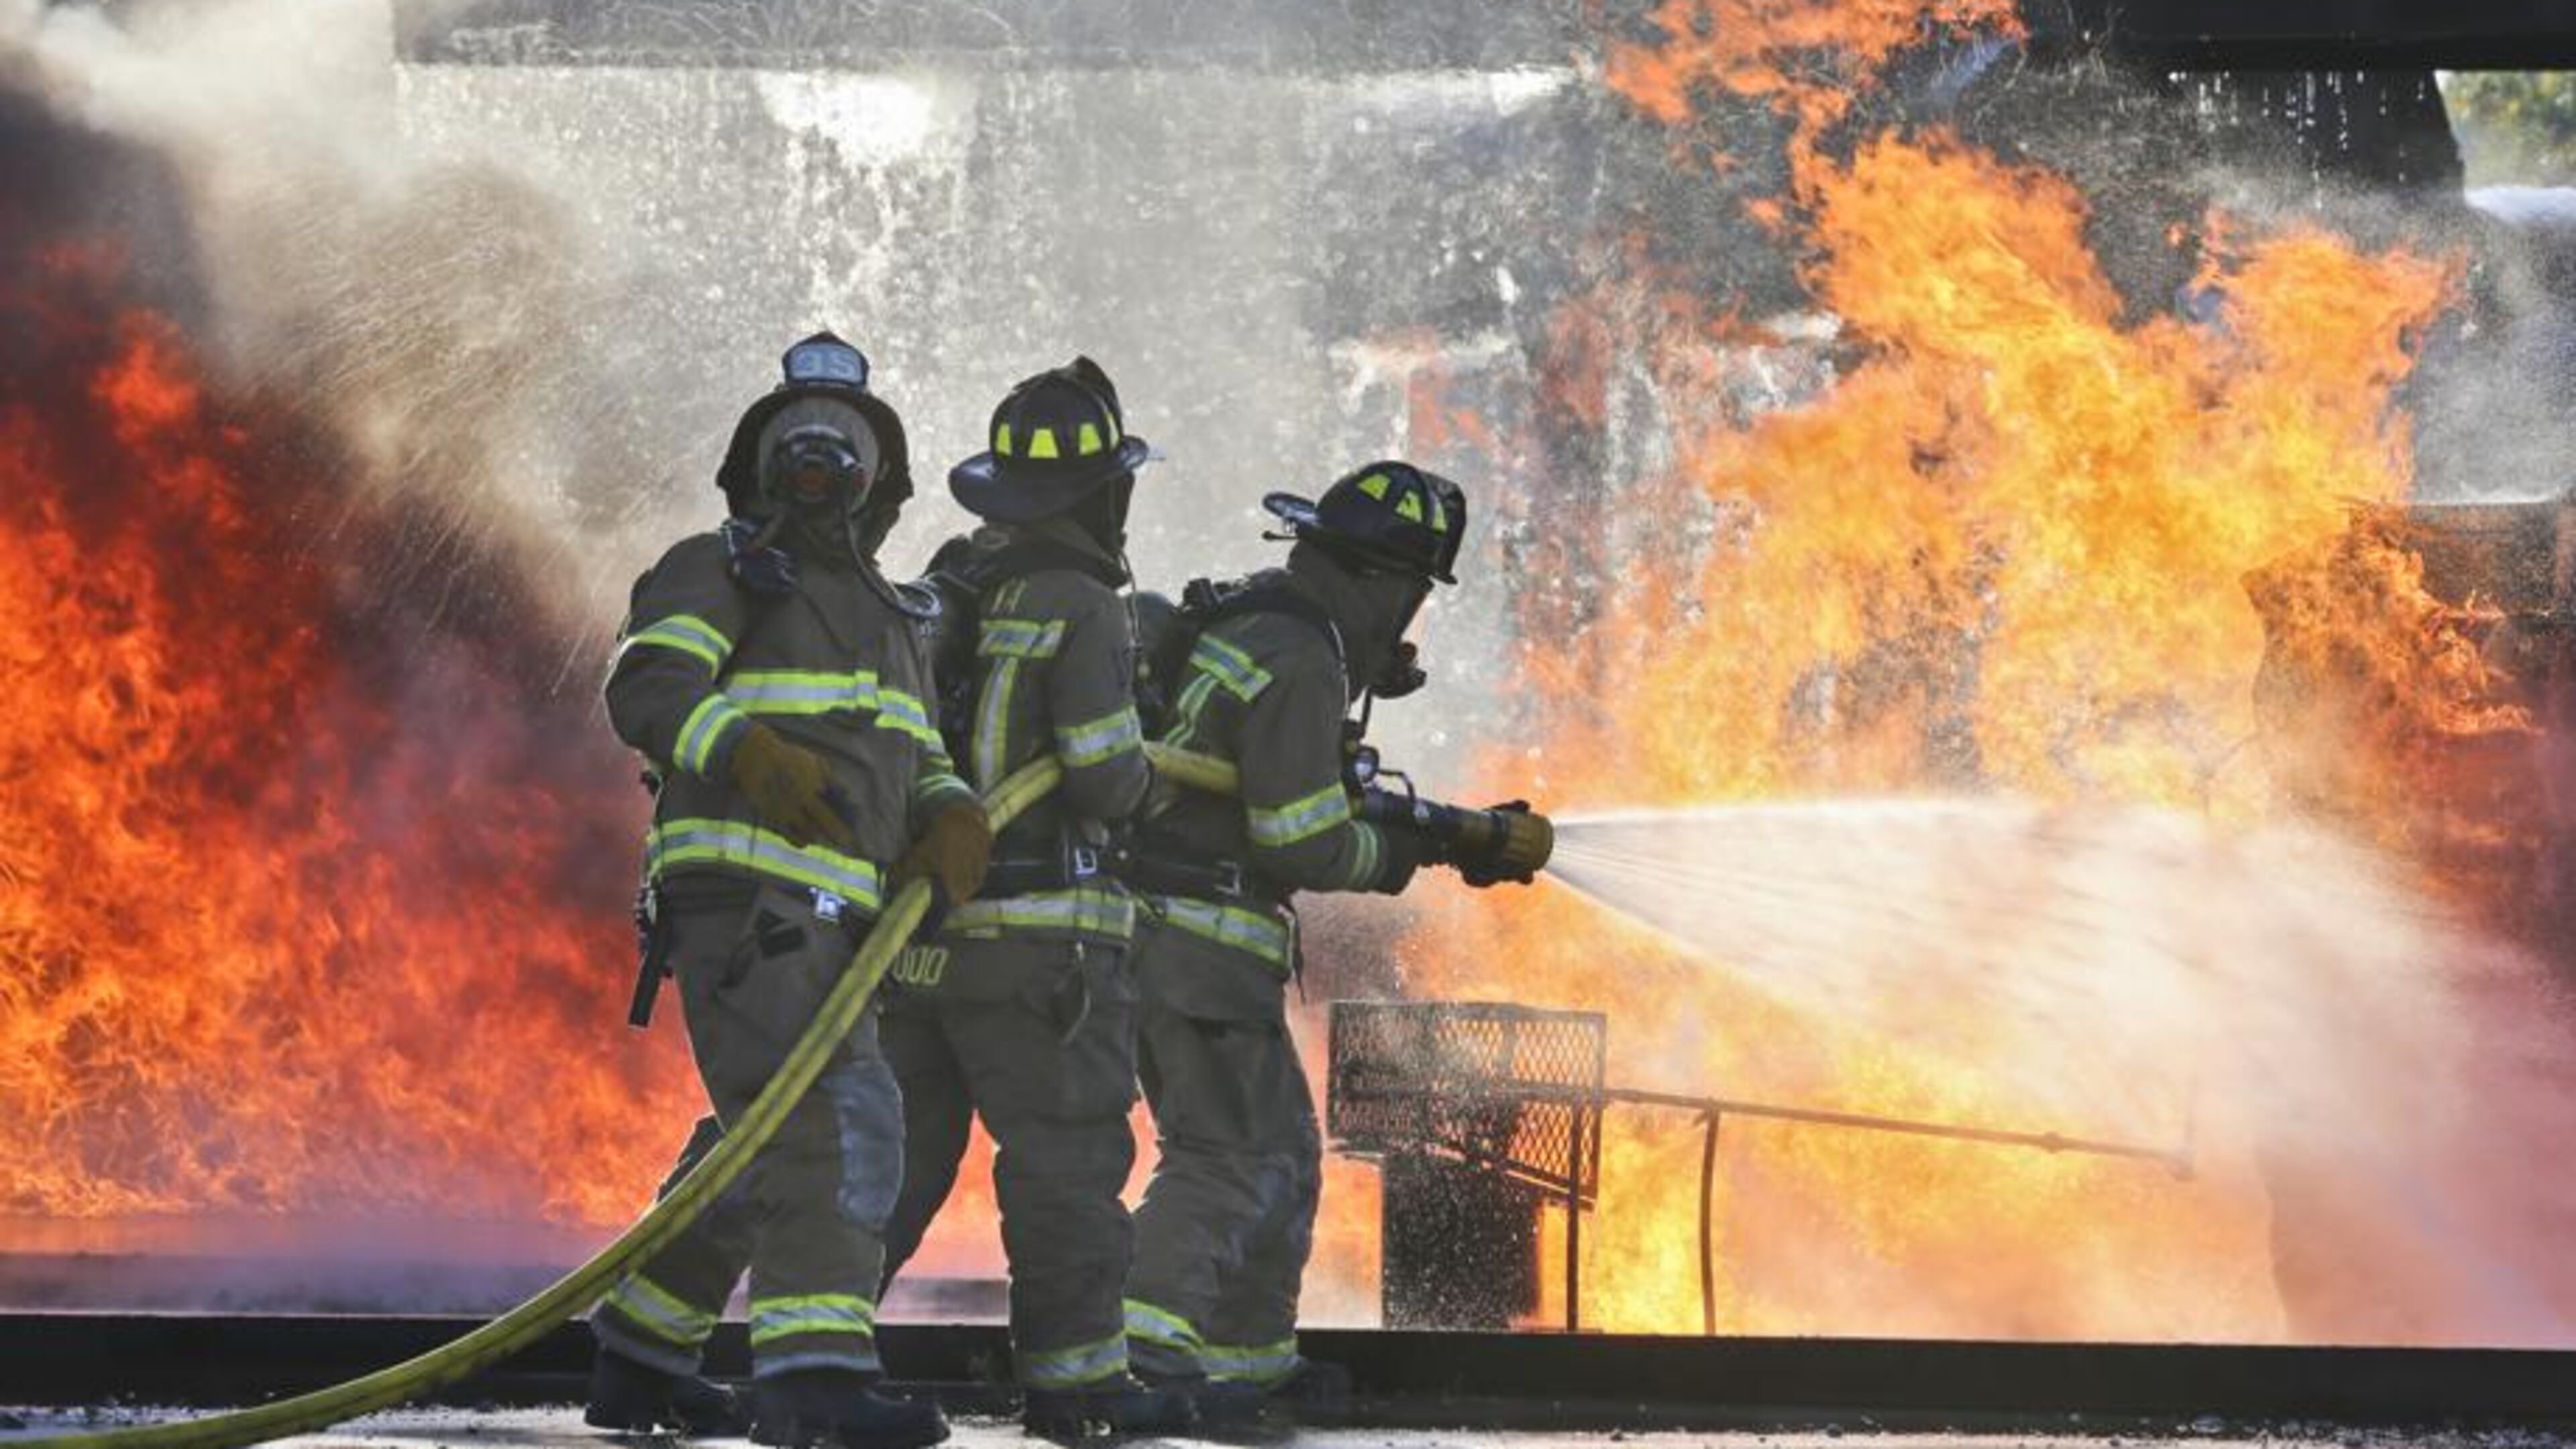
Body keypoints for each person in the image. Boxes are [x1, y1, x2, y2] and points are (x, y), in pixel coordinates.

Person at [586, 331, 990, 1448]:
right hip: (746, 902)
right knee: (836, 1119)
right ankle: (813, 1381)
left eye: (844, 448)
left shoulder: (895, 615)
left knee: (767, 1128)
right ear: (759, 465)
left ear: (880, 479)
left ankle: (642, 1354)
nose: (821, 465)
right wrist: (748, 751)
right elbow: (649, 686)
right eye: (800, 445)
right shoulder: (714, 566)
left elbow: (913, 753)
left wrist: (953, 811)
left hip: (834, 912)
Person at [1120, 461, 1511, 1419]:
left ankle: (1246, 1369)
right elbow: (1298, 835)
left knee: (1279, 1147)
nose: (1407, 620)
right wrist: (1398, 855)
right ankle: (1140, 1358)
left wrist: (1436, 828)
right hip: (1200, 942)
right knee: (1231, 1152)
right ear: (1387, 582)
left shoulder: (1258, 621)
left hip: (1169, 933)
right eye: (1413, 594)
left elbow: (1261, 779)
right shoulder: (1301, 657)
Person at [875, 359, 1193, 1438]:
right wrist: (1153, 772)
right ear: (1106, 491)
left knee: (892, 1163)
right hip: (1041, 953)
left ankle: (806, 1351)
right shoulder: (1083, 603)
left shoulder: (952, 582)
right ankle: (1079, 1390)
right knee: (1064, 1164)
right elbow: (1104, 776)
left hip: (920, 942)